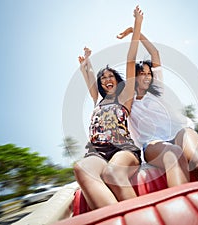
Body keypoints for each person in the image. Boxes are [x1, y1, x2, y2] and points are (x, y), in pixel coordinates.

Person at [117, 27, 198, 187]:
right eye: (141, 73)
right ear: (134, 77)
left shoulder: (157, 89)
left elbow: (155, 53)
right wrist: (135, 28)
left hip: (179, 132)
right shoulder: (129, 100)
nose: (146, 76)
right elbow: (130, 61)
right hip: (153, 143)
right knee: (174, 154)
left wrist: (136, 31)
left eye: (148, 73)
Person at [73, 6, 143, 210]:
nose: (107, 79)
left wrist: (137, 25)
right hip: (97, 152)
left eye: (111, 76)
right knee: (81, 168)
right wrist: (86, 63)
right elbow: (88, 75)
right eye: (103, 78)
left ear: (118, 80)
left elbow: (131, 59)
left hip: (123, 149)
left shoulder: (124, 97)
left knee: (112, 173)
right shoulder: (97, 100)